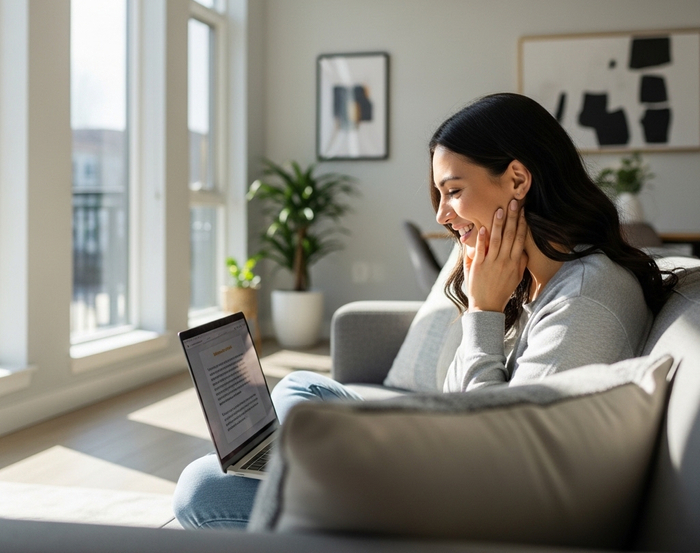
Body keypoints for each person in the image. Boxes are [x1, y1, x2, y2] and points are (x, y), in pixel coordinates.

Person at [173, 92, 678, 529]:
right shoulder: (545, 278)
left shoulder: (584, 299)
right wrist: (488, 306)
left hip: (461, 502)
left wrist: (482, 312)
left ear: (518, 179)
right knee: (302, 387)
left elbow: (499, 464)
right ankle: (281, 467)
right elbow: (455, 401)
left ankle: (285, 478)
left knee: (201, 488)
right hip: (445, 457)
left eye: (453, 191)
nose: (440, 215)